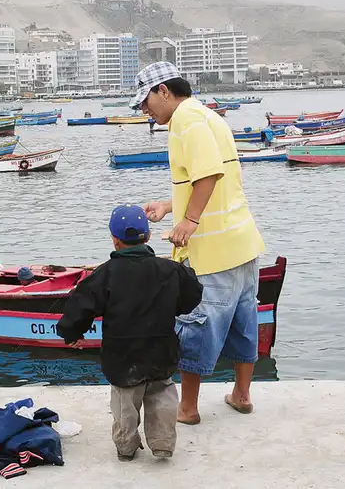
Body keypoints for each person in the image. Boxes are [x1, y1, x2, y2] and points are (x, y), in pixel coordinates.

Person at [131, 62, 266, 425]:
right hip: (241, 240)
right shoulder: (209, 116)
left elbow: (208, 174)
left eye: (145, 102)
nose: (145, 110)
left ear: (163, 91)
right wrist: (170, 205)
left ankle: (188, 409)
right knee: (243, 319)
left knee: (197, 325)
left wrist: (188, 221)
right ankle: (241, 394)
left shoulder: (184, 123)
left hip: (211, 250)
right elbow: (208, 182)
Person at [56, 204, 203, 461]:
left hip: (122, 358)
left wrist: (72, 333)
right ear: (147, 237)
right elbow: (192, 295)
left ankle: (126, 448)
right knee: (162, 396)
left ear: (114, 239)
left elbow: (80, 305)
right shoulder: (171, 270)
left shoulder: (104, 275)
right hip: (161, 352)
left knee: (125, 405)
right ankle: (162, 443)